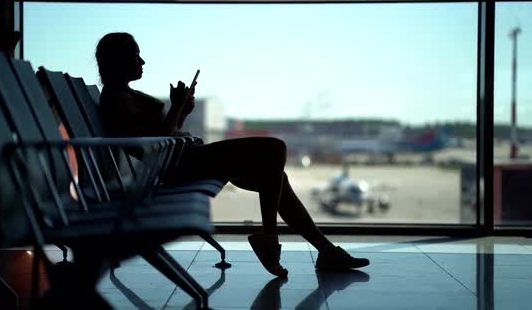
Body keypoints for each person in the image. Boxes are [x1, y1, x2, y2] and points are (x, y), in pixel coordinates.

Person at [97, 32, 369, 277]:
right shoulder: (115, 99)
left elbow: (162, 135)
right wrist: (176, 109)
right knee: (275, 149)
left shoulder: (123, 95)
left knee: (275, 176)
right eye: (136, 54)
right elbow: (155, 143)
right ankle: (270, 239)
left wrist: (182, 111)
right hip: (182, 166)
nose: (142, 61)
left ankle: (324, 251)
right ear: (119, 59)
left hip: (184, 160)